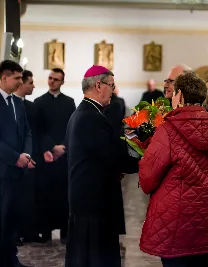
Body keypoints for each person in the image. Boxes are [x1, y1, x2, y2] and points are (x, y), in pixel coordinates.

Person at [139, 71, 208, 267]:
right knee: (199, 261)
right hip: (205, 213)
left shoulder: (168, 128)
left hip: (174, 217)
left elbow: (148, 176)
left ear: (180, 95)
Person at [64, 65, 139, 267]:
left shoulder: (81, 113)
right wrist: (143, 159)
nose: (113, 92)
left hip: (85, 199)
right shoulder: (92, 118)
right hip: (94, 203)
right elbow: (112, 156)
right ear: (98, 85)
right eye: (111, 86)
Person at [34, 68, 76, 243]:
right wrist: (52, 147)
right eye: (50, 78)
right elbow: (38, 129)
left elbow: (72, 127)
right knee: (46, 194)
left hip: (64, 155)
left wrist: (63, 147)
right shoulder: (39, 102)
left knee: (64, 194)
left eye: (56, 79)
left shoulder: (69, 102)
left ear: (62, 82)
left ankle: (65, 231)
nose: (52, 81)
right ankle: (45, 232)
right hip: (47, 155)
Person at [13, 70, 54, 244]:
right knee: (14, 197)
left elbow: (39, 132)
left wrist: (44, 150)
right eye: (30, 82)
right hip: (13, 158)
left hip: (33, 157)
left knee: (32, 196)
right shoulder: (9, 105)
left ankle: (30, 231)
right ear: (21, 83)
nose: (34, 86)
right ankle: (14, 233)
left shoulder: (32, 107)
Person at [0, 60, 33, 267]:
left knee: (13, 216)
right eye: (17, 78)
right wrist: (15, 157)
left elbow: (27, 131)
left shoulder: (18, 103)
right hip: (2, 170)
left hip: (19, 170)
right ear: (4, 77)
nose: (20, 82)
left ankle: (11, 258)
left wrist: (26, 154)